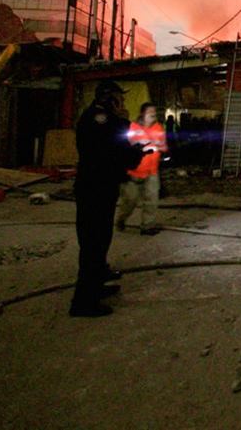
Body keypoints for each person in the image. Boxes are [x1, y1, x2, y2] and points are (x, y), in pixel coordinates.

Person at [71, 80, 144, 317]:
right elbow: (123, 151)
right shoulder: (102, 120)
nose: (122, 103)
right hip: (95, 189)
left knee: (99, 240)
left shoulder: (97, 118)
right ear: (109, 99)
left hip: (99, 187)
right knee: (93, 243)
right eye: (119, 99)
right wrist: (126, 124)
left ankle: (96, 284)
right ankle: (84, 302)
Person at [115, 102, 168, 236]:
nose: (153, 114)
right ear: (142, 113)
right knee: (130, 201)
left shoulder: (158, 128)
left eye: (154, 112)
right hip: (134, 171)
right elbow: (129, 146)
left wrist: (162, 149)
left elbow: (163, 146)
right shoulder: (132, 127)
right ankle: (121, 219)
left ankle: (147, 226)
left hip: (152, 171)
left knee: (151, 200)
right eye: (150, 112)